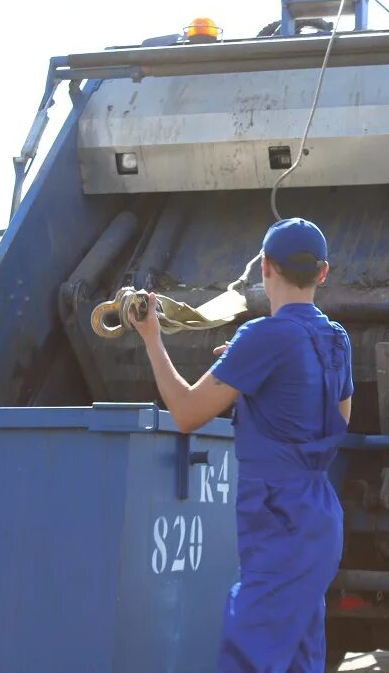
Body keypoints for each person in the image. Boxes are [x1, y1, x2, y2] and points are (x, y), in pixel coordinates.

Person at [130, 217, 353, 673]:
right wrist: (253, 374)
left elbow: (187, 412)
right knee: (298, 657)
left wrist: (152, 339)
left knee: (248, 656)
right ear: (323, 273)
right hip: (318, 518)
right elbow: (339, 419)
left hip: (279, 520)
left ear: (265, 266)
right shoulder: (337, 339)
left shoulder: (263, 337)